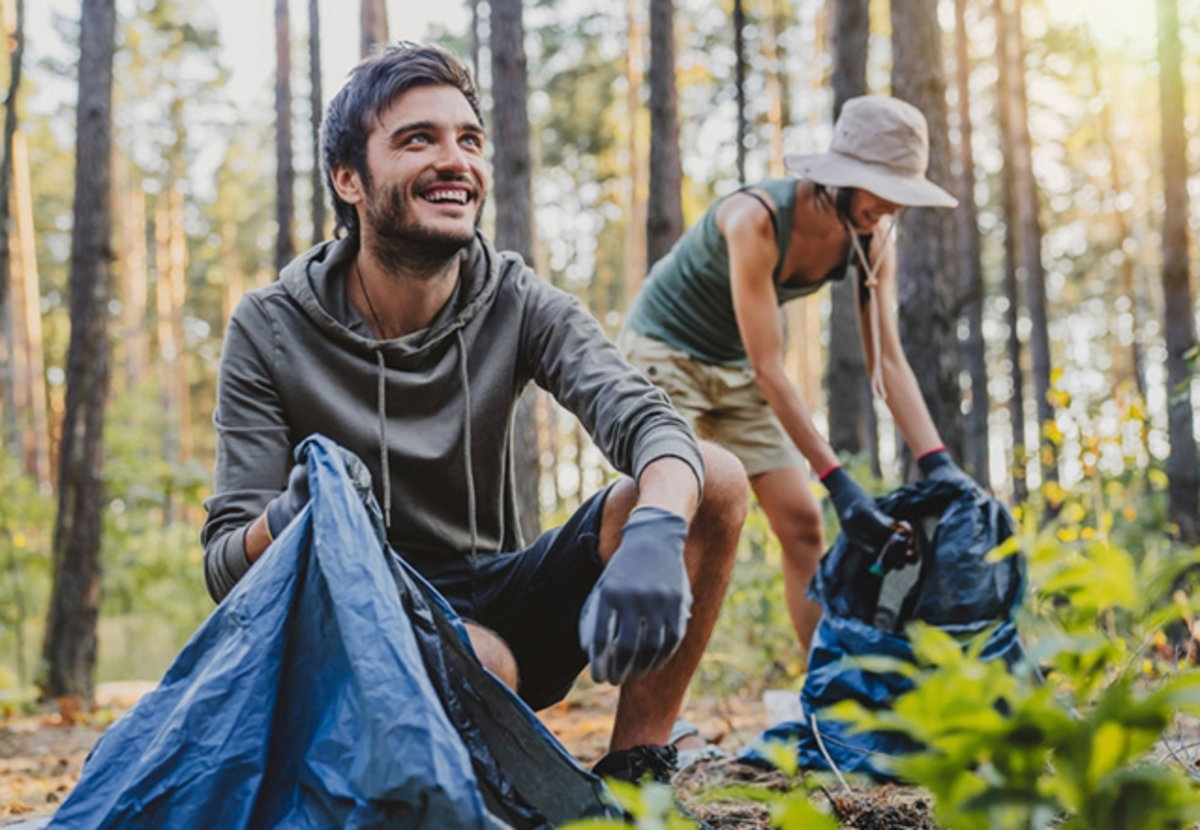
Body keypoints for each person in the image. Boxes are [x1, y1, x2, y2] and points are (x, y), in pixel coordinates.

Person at [201, 42, 748, 778]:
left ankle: (636, 773)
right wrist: (291, 516)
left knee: (710, 478)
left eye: (469, 139)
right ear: (349, 179)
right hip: (362, 615)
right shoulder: (269, 327)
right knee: (482, 664)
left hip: (502, 590)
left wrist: (653, 530)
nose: (455, 160)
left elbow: (647, 421)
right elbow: (225, 566)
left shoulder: (516, 298)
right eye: (417, 139)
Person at [621, 95, 977, 651]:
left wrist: (938, 463)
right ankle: (658, 710)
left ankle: (822, 691)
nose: (891, 207)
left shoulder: (870, 237)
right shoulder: (755, 220)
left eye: (900, 193)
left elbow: (888, 361)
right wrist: (839, 483)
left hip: (735, 369)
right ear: (842, 176)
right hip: (664, 355)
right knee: (680, 517)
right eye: (881, 187)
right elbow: (772, 369)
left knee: (804, 522)